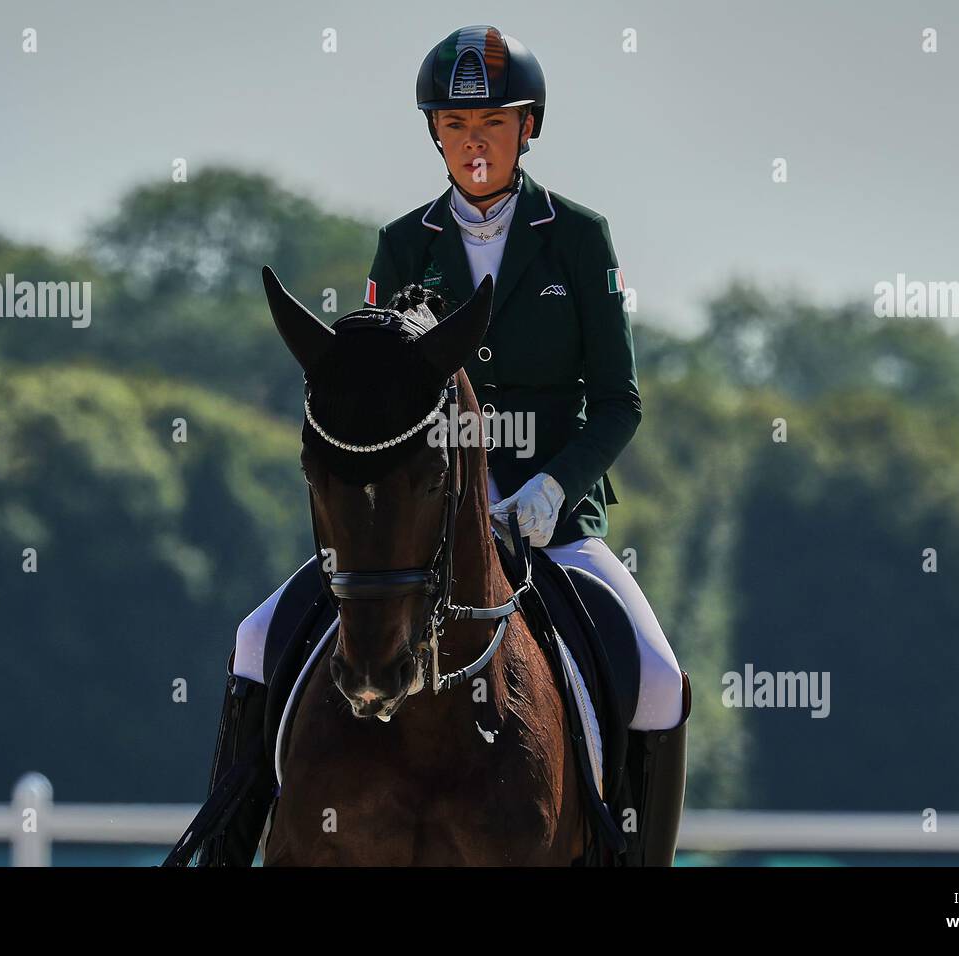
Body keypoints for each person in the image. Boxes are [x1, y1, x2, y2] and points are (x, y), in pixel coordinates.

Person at [232, 24, 689, 864]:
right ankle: (228, 842)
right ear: (435, 135)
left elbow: (618, 401)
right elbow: (372, 396)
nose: (472, 143)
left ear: (527, 128)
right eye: (454, 126)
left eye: (491, 124)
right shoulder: (405, 243)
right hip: (413, 521)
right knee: (256, 637)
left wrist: (552, 488)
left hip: (553, 519)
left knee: (658, 682)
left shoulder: (580, 240)